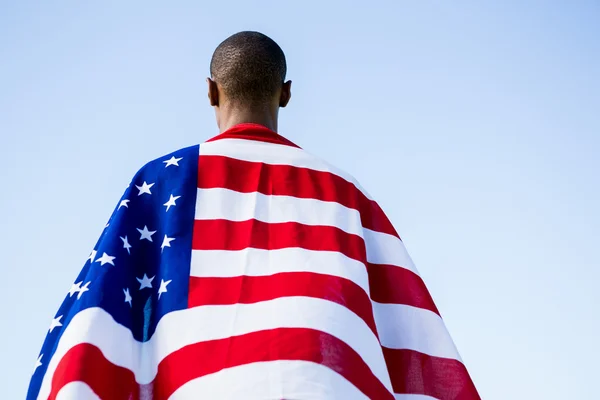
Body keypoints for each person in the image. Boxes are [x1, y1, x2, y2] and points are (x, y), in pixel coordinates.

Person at [28, 31, 480, 400]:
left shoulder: (165, 180)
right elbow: (408, 334)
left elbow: (101, 313)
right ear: (285, 94)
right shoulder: (346, 193)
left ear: (210, 90)